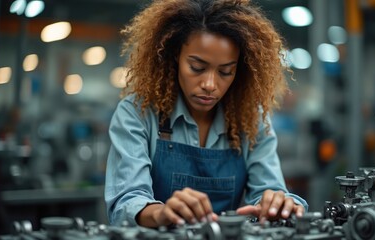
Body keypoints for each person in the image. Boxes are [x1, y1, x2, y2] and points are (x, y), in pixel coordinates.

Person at [105, 0, 308, 228]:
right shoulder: (138, 113)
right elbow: (126, 202)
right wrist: (160, 214)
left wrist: (278, 203)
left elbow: (268, 190)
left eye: (225, 72)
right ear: (175, 57)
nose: (210, 84)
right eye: (197, 68)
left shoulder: (250, 118)